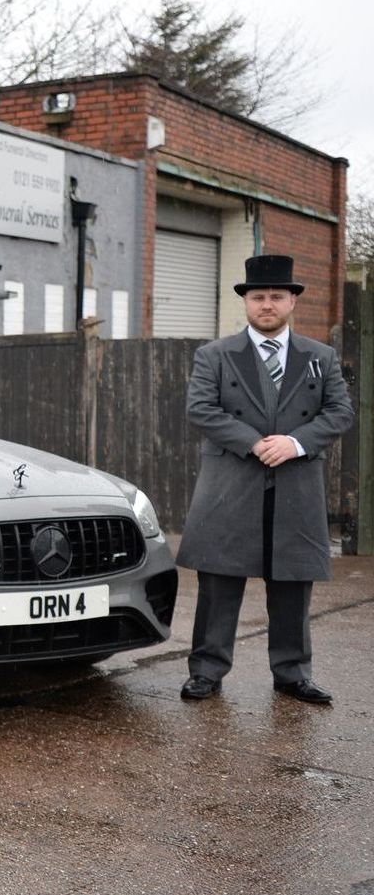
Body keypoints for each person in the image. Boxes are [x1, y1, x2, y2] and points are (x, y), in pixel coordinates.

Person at [175, 254, 353, 705]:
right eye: (258, 297)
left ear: (292, 301)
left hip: (295, 482)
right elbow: (201, 409)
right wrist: (254, 442)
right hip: (232, 482)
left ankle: (292, 674)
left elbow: (340, 412)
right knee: (219, 583)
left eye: (277, 296)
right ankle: (207, 671)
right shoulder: (214, 355)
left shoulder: (321, 357)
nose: (267, 304)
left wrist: (294, 443)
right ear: (246, 303)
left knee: (293, 582)